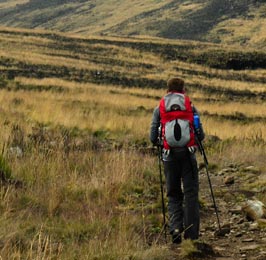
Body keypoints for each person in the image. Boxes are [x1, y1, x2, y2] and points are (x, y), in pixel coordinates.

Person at [150, 77, 205, 244]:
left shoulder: (159, 108)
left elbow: (153, 137)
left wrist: (162, 143)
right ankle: (191, 235)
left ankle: (175, 228)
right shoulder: (190, 106)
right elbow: (200, 135)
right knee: (190, 194)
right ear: (183, 89)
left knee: (173, 193)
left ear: (168, 89)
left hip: (169, 156)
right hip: (188, 156)